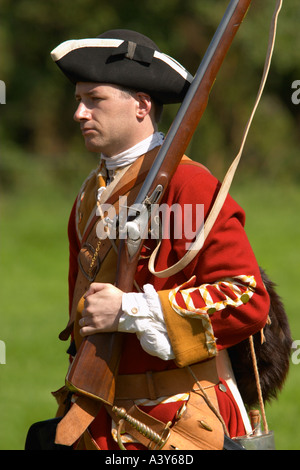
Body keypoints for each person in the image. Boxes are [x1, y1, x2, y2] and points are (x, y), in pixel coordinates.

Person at [49, 29, 270, 450]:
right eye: (78, 100)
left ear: (142, 106)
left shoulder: (190, 184)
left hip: (179, 418)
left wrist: (132, 310)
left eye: (94, 99)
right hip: (100, 420)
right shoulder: (88, 195)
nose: (79, 113)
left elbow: (246, 298)